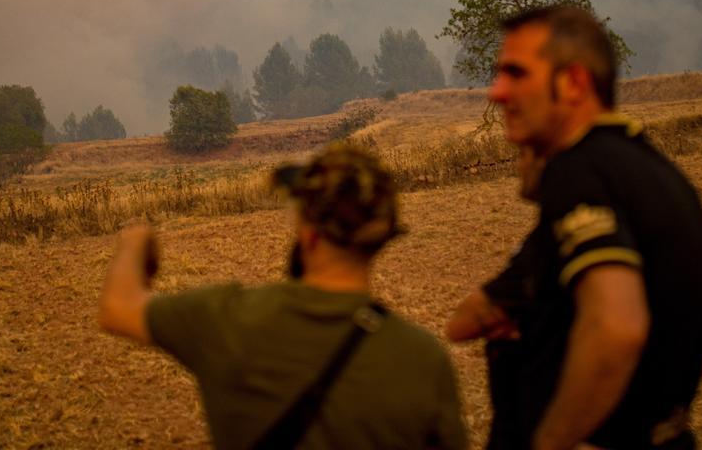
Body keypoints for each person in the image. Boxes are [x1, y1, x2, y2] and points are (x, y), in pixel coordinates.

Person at [447, 6, 702, 450]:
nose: (497, 92)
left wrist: (557, 440)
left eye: (516, 74)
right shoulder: (653, 167)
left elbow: (617, 326)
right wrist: (655, 399)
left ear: (573, 83)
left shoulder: (577, 171)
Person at [98, 144, 467, 450]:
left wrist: (136, 239)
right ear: (382, 239)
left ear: (308, 234)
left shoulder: (225, 318)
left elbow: (117, 307)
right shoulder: (424, 359)